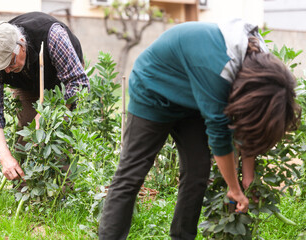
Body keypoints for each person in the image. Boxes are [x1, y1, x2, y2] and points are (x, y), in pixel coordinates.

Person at [98, 19, 301, 240]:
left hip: (192, 97)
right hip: (153, 88)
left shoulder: (263, 68)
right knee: (132, 174)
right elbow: (220, 136)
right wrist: (234, 188)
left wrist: (248, 176)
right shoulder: (219, 70)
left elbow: (249, 117)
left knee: (197, 170)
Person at [0, 12, 89, 181]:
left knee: (57, 132)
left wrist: (47, 112)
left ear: (21, 45)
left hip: (64, 80)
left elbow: (78, 84)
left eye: (10, 63)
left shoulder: (53, 36)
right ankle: (26, 190)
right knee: (29, 130)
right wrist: (5, 157)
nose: (6, 70)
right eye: (2, 67)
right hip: (28, 83)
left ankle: (61, 193)